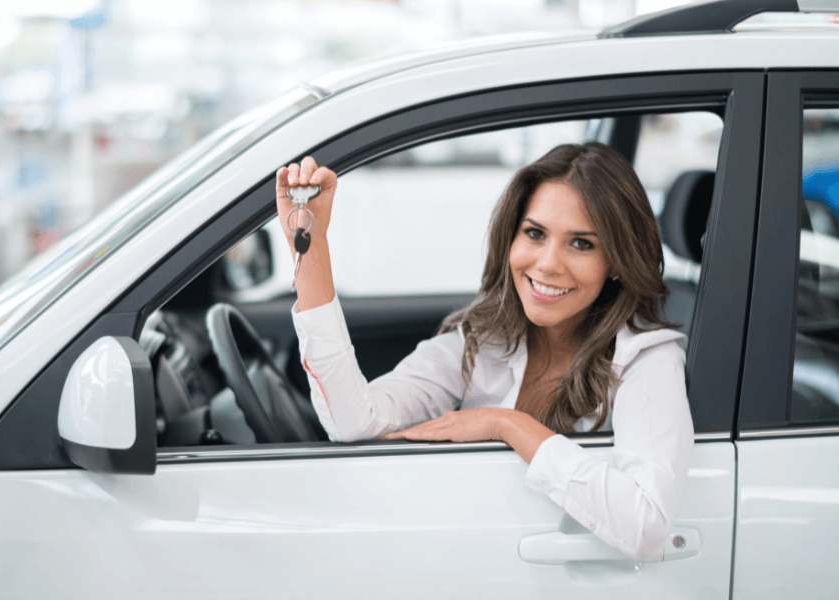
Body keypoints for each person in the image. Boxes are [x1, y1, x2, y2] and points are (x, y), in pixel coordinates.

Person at [275, 142, 693, 560]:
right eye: (535, 234)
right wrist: (311, 248)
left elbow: (645, 525)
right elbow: (353, 421)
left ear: (616, 261)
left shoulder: (647, 360)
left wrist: (506, 424)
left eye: (581, 244)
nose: (548, 264)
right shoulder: (485, 339)